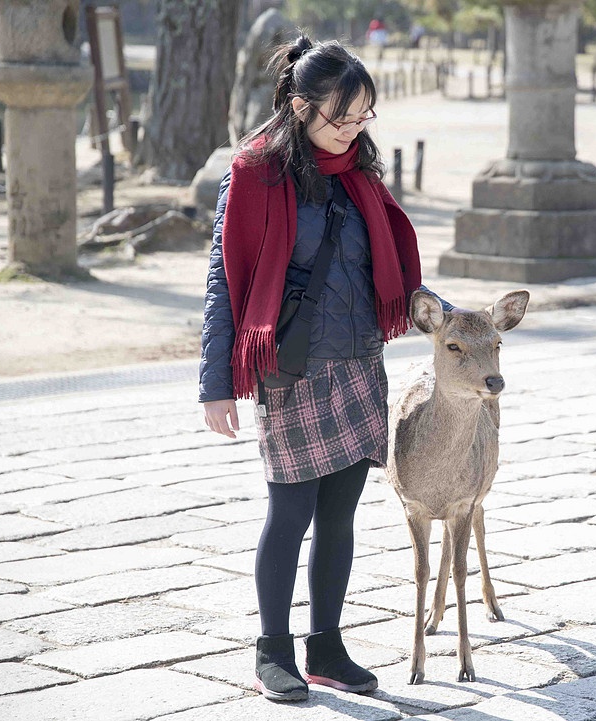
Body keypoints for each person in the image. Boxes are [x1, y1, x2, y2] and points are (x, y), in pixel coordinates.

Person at [199, 36, 461, 702]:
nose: (352, 129)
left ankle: (326, 645)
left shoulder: (360, 174)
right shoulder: (257, 171)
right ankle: (272, 651)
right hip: (290, 368)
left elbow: (392, 272)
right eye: (340, 116)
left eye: (362, 115)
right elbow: (222, 281)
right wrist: (216, 384)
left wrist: (453, 317)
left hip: (357, 361)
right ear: (299, 105)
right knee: (290, 513)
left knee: (340, 516)